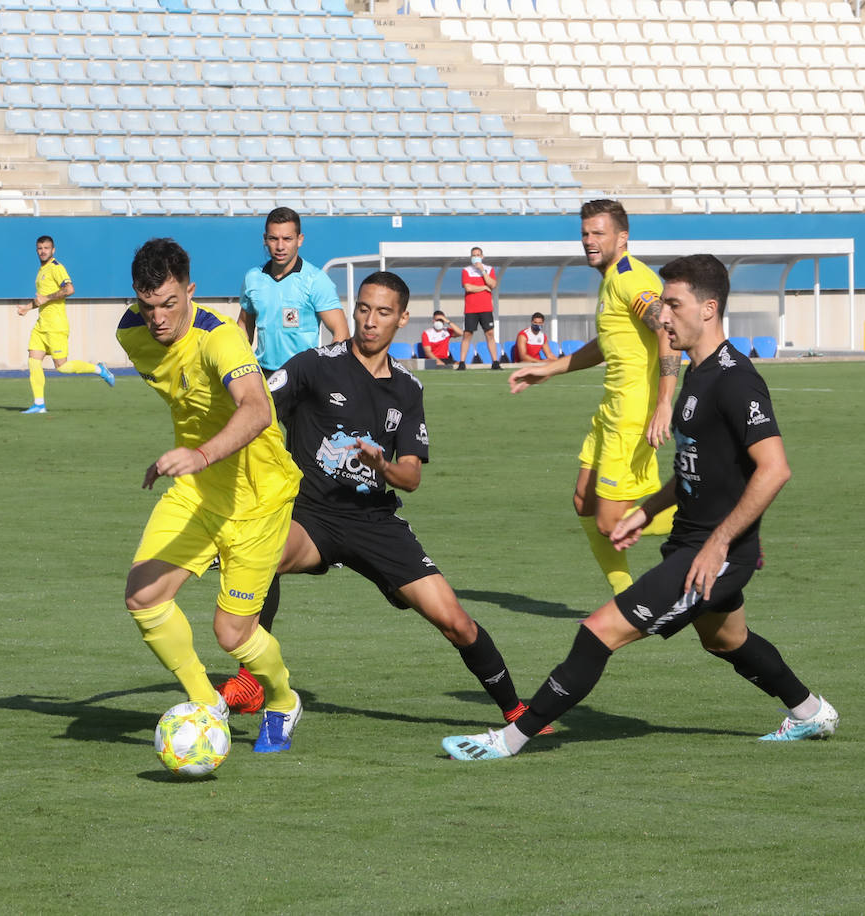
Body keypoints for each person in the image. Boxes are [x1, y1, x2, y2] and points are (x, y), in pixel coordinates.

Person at [442, 254, 839, 761]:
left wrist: (718, 544)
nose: (663, 316)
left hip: (713, 554)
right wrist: (647, 509)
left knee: (597, 632)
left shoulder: (736, 379)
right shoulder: (697, 373)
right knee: (726, 640)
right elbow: (698, 466)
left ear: (709, 309)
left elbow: (775, 468)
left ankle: (508, 740)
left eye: (673, 304)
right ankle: (810, 712)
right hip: (693, 542)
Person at [215, 270, 549, 735]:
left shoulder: (408, 389)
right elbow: (255, 411)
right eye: (364, 309)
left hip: (375, 522)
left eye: (383, 312)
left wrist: (382, 467)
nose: (370, 321)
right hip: (310, 516)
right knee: (260, 557)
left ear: (402, 319)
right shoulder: (313, 364)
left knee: (455, 622)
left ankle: (517, 712)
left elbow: (410, 476)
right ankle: (252, 679)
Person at [116, 237, 304, 753]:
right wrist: (191, 460)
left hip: (258, 499)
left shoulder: (220, 339)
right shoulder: (130, 333)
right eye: (148, 304)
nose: (158, 318)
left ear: (190, 292)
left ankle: (284, 701)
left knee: (233, 635)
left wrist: (199, 454)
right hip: (197, 493)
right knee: (143, 595)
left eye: (170, 304)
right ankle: (207, 702)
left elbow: (256, 409)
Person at [508, 199, 680, 594]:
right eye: (585, 233)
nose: (588, 240)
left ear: (622, 237)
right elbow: (609, 343)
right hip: (612, 410)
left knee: (608, 522)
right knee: (584, 501)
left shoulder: (631, 279)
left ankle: (717, 518)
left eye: (598, 233)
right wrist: (547, 369)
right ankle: (626, 597)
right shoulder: (612, 279)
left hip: (633, 414)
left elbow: (667, 330)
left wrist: (665, 402)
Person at [237, 207, 348, 372]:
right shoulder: (253, 278)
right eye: (273, 238)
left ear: (300, 239)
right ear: (265, 239)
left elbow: (342, 333)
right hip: (264, 375)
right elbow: (245, 325)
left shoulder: (315, 280)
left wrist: (324, 370)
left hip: (303, 377)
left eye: (287, 239)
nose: (280, 246)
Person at [18, 235, 115, 413]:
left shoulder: (56, 268)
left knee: (62, 367)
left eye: (46, 248)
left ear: (53, 250)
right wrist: (26, 308)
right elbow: (41, 300)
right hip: (41, 326)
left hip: (56, 326)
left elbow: (69, 289)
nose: (43, 251)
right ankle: (39, 404)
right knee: (33, 361)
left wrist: (46, 298)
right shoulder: (41, 271)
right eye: (40, 248)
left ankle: (99, 369)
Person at [456, 246, 502, 370]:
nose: (476, 257)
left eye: (478, 255)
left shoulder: (489, 269)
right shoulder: (466, 270)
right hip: (471, 308)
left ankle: (495, 362)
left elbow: (492, 284)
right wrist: (483, 288)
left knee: (490, 333)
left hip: (486, 308)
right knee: (467, 334)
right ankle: (462, 362)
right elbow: (468, 287)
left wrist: (482, 271)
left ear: (482, 256)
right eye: (473, 255)